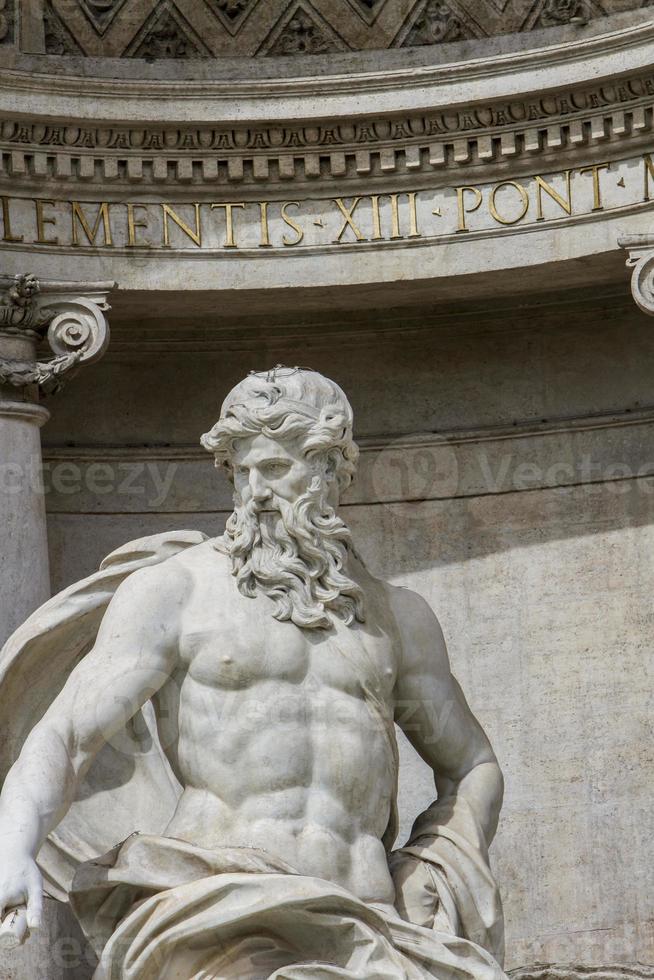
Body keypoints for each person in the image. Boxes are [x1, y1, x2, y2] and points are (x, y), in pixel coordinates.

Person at [0, 367, 506, 979]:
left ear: (328, 470)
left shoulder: (399, 618)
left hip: (367, 921)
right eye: (242, 472)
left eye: (275, 468)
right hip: (214, 911)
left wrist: (436, 867)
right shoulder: (175, 591)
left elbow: (472, 765)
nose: (256, 491)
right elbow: (66, 737)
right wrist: (14, 842)